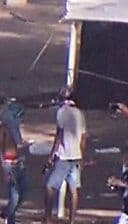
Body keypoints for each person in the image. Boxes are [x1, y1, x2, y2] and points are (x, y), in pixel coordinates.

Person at [43, 88, 86, 224]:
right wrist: (81, 156)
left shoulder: (61, 112)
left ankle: (48, 218)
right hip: (76, 156)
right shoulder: (80, 114)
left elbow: (59, 136)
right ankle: (72, 220)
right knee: (74, 190)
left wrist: (51, 156)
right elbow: (84, 137)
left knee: (50, 186)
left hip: (64, 156)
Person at [0, 100, 27, 224]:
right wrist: (3, 165)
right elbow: (0, 148)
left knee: (24, 192)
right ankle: (10, 220)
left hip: (19, 162)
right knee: (14, 196)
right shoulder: (4, 128)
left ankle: (5, 213)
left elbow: (19, 145)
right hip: (9, 164)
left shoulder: (17, 128)